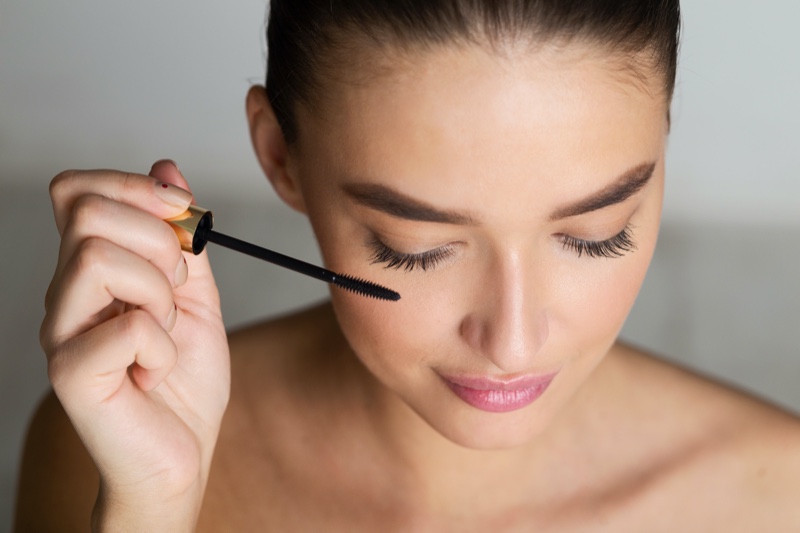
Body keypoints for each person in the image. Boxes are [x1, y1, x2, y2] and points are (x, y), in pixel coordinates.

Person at [14, 0, 800, 530]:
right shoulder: (107, 451)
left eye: (595, 234)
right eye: (414, 248)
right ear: (282, 156)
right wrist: (150, 507)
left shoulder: (777, 497)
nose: (512, 342)